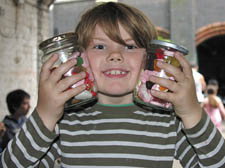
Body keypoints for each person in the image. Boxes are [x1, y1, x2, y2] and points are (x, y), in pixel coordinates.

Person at [1, 2, 225, 168]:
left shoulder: (167, 122)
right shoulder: (65, 121)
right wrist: (45, 115)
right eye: (99, 47)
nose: (115, 55)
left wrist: (192, 113)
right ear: (79, 58)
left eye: (129, 46)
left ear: (148, 58)